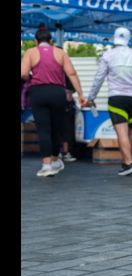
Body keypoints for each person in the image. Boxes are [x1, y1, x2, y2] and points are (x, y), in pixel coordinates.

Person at [82, 27, 132, 176]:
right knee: (131, 131)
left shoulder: (108, 55)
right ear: (128, 39)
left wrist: (91, 97)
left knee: (121, 132)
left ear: (115, 38)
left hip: (117, 98)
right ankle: (126, 162)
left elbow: (99, 78)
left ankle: (128, 163)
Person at [20, 27, 85, 177]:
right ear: (51, 41)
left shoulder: (30, 52)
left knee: (43, 129)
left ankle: (46, 165)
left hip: (38, 93)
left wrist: (30, 76)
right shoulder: (60, 53)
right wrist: (81, 94)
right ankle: (56, 159)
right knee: (56, 128)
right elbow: (72, 73)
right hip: (57, 93)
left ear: (35, 41)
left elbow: (23, 73)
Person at [59, 76, 77, 163]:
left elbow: (70, 92)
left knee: (65, 130)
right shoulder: (68, 76)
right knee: (66, 129)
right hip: (63, 105)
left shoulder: (66, 77)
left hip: (64, 106)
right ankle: (64, 153)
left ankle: (63, 152)